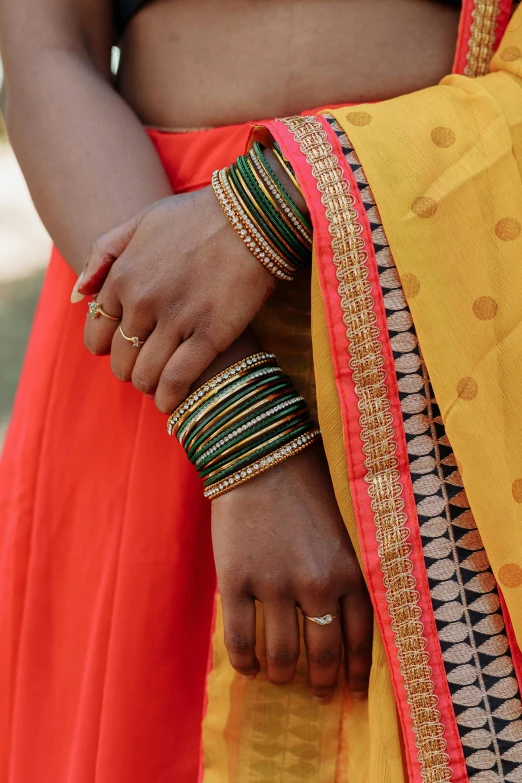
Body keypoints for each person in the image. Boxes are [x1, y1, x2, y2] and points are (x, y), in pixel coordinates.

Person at [0, 0, 521, 780]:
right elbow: (48, 55)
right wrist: (233, 415)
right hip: (146, 296)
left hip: (453, 301)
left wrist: (275, 201)